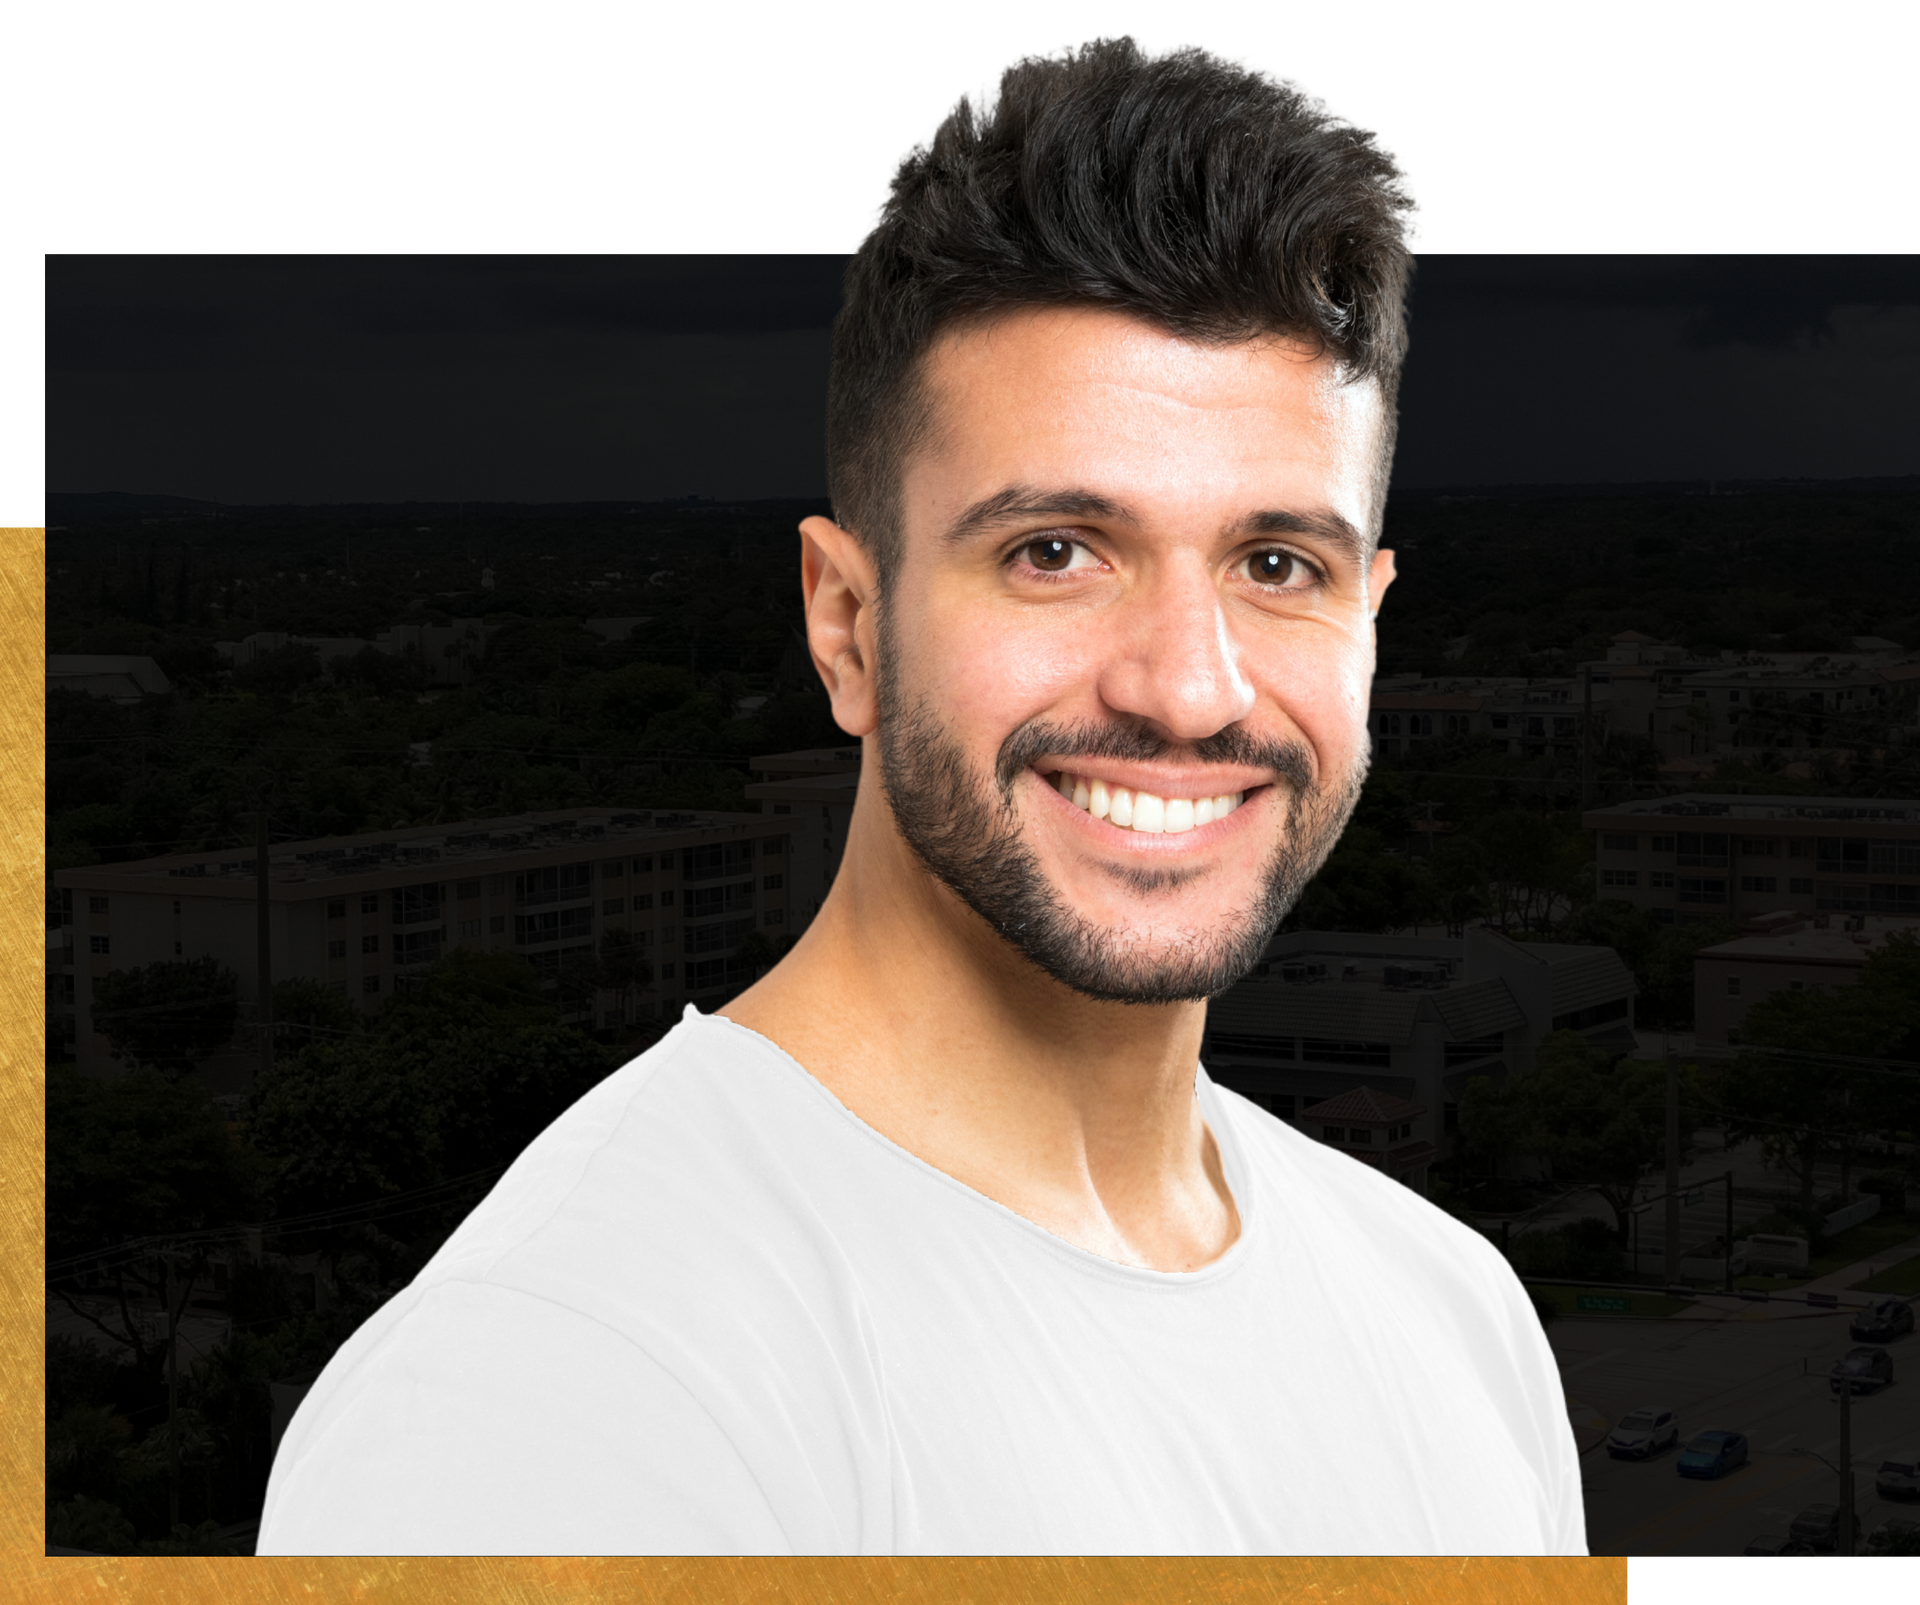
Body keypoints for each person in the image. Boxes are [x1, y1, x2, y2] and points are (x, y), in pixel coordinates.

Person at [257, 35, 1585, 1556]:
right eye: (1055, 551)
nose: (1189, 686)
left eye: (1279, 564)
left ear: (1371, 613)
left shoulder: (1454, 1312)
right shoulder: (570, 1387)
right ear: (847, 626)